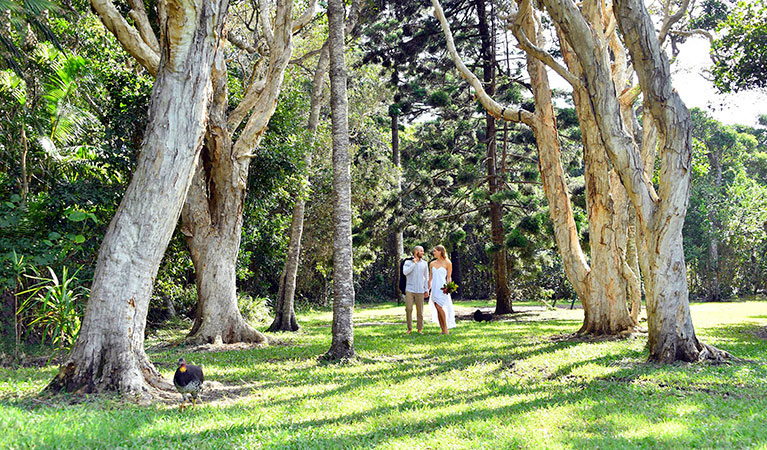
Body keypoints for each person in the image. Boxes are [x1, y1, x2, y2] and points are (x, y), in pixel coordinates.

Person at [428, 245, 456, 334]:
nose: (433, 253)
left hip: (443, 288)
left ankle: (446, 328)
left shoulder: (448, 263)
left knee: (440, 307)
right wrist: (428, 289)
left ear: (440, 251)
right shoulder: (432, 264)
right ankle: (442, 329)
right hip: (434, 288)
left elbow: (448, 277)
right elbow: (430, 278)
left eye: (435, 251)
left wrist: (449, 287)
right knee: (437, 307)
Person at [402, 245, 429, 334]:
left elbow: (426, 277)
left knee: (420, 310)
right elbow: (405, 272)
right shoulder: (408, 262)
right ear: (416, 252)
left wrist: (426, 289)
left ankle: (420, 329)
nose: (423, 253)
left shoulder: (424, 263)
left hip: (420, 290)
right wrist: (414, 263)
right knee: (409, 309)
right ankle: (409, 328)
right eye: (421, 251)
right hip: (409, 289)